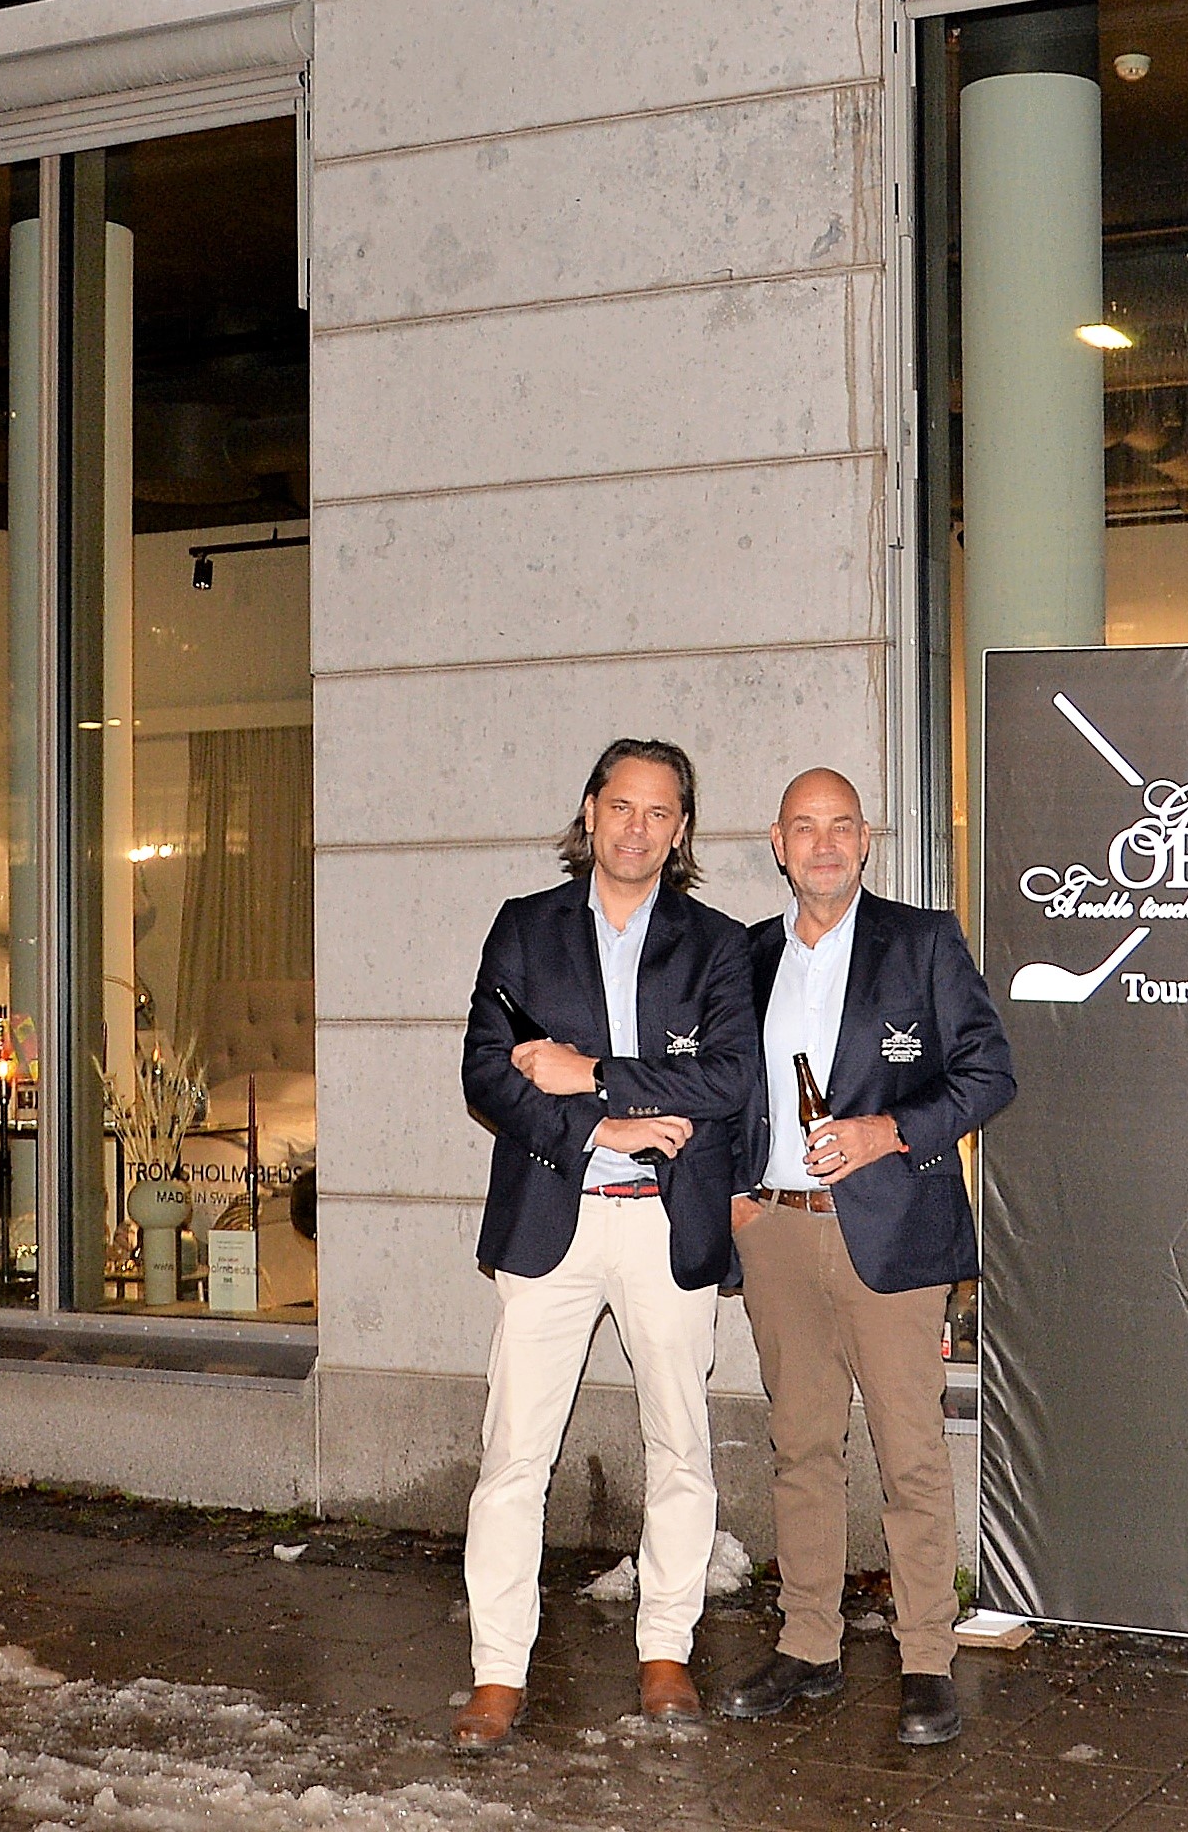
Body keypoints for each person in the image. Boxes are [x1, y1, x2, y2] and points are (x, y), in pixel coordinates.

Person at [450, 738, 759, 1752]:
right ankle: (498, 1670)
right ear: (589, 811)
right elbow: (488, 1072)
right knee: (512, 1454)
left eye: (659, 811)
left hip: (668, 1221)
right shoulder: (524, 928)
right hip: (554, 1214)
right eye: (621, 805)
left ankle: (666, 1649)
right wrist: (601, 1129)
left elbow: (728, 1080)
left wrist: (591, 1075)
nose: (637, 827)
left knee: (681, 1446)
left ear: (681, 830)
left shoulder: (716, 944)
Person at [717, 768, 1015, 1747]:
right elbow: (718, 1089)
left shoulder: (921, 943)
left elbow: (989, 1072)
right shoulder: (744, 957)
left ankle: (926, 1656)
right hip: (775, 1232)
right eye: (804, 827)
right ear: (777, 843)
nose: (824, 843)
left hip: (889, 1231)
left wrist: (886, 1130)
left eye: (841, 825)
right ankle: (808, 1642)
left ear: (866, 840)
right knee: (800, 1445)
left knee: (908, 1451)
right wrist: (732, 1198)